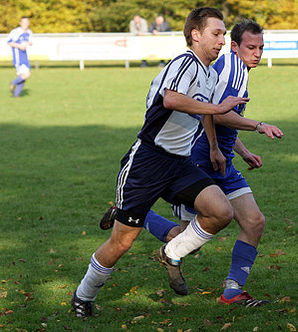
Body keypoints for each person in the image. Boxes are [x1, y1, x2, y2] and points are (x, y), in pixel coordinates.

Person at [71, 7, 249, 318]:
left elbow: (206, 111)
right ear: (195, 35)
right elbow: (171, 98)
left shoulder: (208, 73)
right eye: (216, 33)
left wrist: (215, 141)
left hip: (179, 163)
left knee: (221, 212)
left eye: (223, 34)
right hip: (148, 161)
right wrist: (218, 108)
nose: (222, 40)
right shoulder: (186, 63)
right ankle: (83, 295)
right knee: (122, 242)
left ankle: (171, 252)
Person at [100, 19, 283, 307]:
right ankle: (132, 214)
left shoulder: (235, 70)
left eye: (261, 47)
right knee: (187, 239)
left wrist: (242, 151)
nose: (257, 53)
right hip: (200, 160)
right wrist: (256, 127)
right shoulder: (232, 68)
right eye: (251, 47)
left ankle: (232, 291)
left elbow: (217, 117)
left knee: (254, 221)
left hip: (223, 161)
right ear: (235, 47)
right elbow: (216, 113)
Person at [7, 16, 33, 98]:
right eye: (23, 22)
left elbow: (28, 41)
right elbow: (9, 42)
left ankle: (16, 96)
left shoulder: (29, 32)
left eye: (27, 22)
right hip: (18, 57)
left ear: (28, 23)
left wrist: (29, 43)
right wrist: (19, 46)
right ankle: (13, 83)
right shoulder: (16, 31)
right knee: (27, 74)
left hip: (25, 56)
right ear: (20, 23)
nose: (25, 24)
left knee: (23, 78)